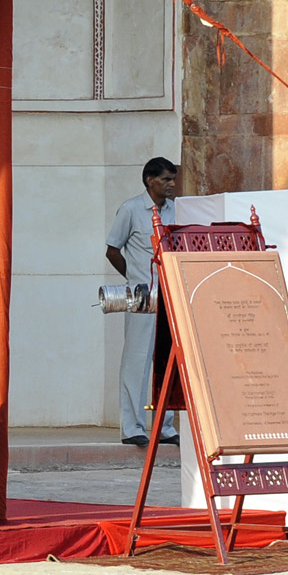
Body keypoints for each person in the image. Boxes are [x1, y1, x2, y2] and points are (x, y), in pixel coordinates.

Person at [105, 157, 182, 448]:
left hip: (171, 293)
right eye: (166, 179)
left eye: (172, 179)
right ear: (150, 180)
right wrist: (133, 278)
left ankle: (165, 426)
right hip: (142, 295)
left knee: (168, 360)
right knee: (137, 359)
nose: (171, 184)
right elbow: (112, 249)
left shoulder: (176, 210)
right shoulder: (131, 209)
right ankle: (132, 427)